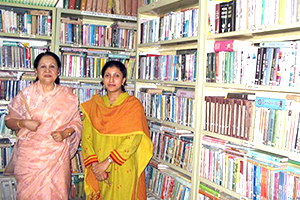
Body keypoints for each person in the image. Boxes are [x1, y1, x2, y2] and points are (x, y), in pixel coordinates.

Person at [5, 51, 82, 200]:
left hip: (57, 157)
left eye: (52, 66)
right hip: (30, 158)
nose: (48, 70)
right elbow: (9, 120)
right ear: (36, 71)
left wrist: (65, 133)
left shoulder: (68, 96)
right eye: (43, 66)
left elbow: (76, 122)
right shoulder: (26, 95)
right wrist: (23, 123)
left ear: (58, 71)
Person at [81, 60, 153, 200]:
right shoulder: (94, 105)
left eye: (116, 76)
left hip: (124, 165)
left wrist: (107, 162)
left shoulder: (133, 105)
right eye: (107, 75)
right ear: (102, 79)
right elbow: (86, 137)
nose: (111, 80)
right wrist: (96, 166)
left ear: (123, 80)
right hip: (99, 165)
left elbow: (134, 138)